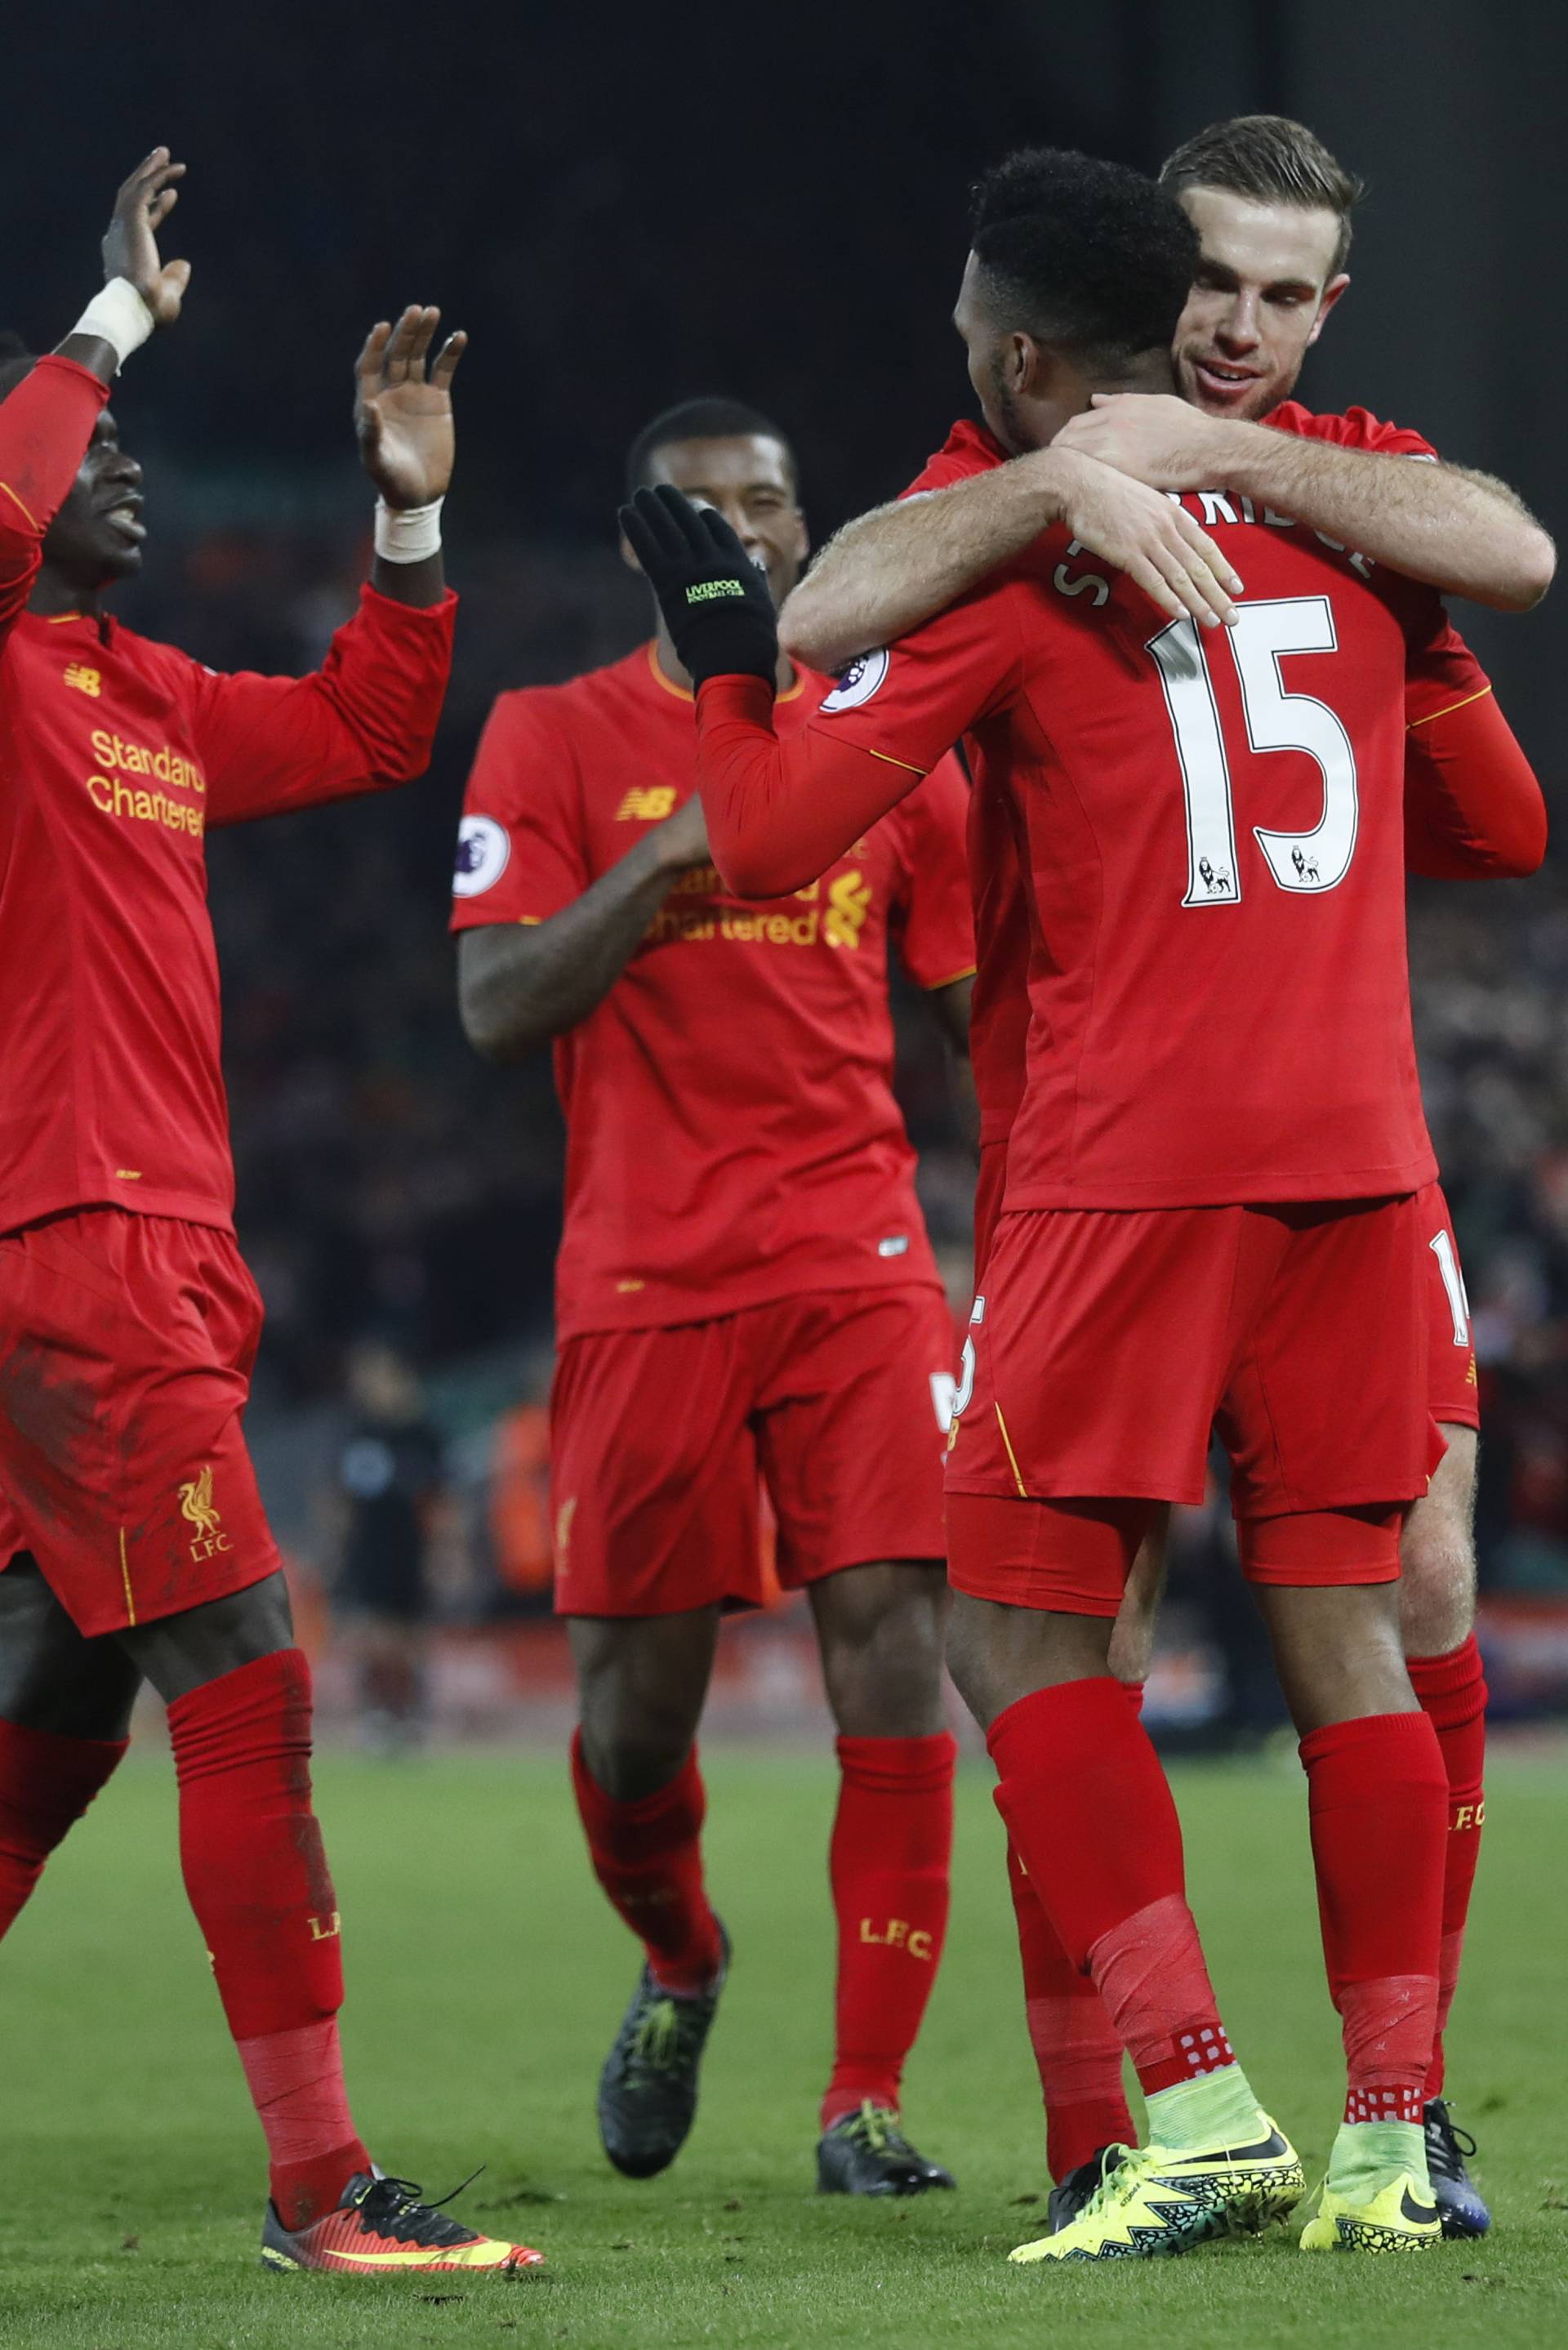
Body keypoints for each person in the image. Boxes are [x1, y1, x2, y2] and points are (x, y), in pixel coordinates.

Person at [620, 145, 1519, 2260]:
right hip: (1355, 1154)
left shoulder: (1054, 554)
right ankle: (1389, 2130)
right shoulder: (1319, 531)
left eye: (1286, 297)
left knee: (1020, 1628)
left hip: (1124, 1166)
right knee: (1357, 1626)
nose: (1242, 326)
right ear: (1160, 287)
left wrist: (730, 645)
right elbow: (1503, 808)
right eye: (1212, 283)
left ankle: (1194, 2103)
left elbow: (767, 825)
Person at [0, 152, 540, 2276]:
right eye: (91, 462)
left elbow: (376, 726)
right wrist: (110, 320)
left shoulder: (148, 704)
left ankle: (326, 2184)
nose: (122, 484)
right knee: (248, 1668)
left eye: (126, 451)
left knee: (48, 1716)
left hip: (151, 1245)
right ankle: (327, 2190)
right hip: (80, 1237)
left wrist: (407, 508)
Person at [453, 399, 974, 2196]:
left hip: (859, 1260)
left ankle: (865, 2098)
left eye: (773, 504)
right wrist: (672, 856)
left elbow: (988, 1016)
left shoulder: (887, 743)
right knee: (630, 1722)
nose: (747, 534)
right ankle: (682, 1954)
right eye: (706, 510)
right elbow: (499, 1004)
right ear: (637, 540)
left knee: (899, 1652)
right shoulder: (551, 735)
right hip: (645, 1274)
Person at [330, 1341, 448, 1750]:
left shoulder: (422, 1434)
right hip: (368, 1549)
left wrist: (449, 1552)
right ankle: (376, 1716)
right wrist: (337, 1547)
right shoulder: (357, 1431)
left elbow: (443, 1499)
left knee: (412, 1637)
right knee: (372, 1635)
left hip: (412, 1548)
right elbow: (337, 1496)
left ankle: (413, 1716)